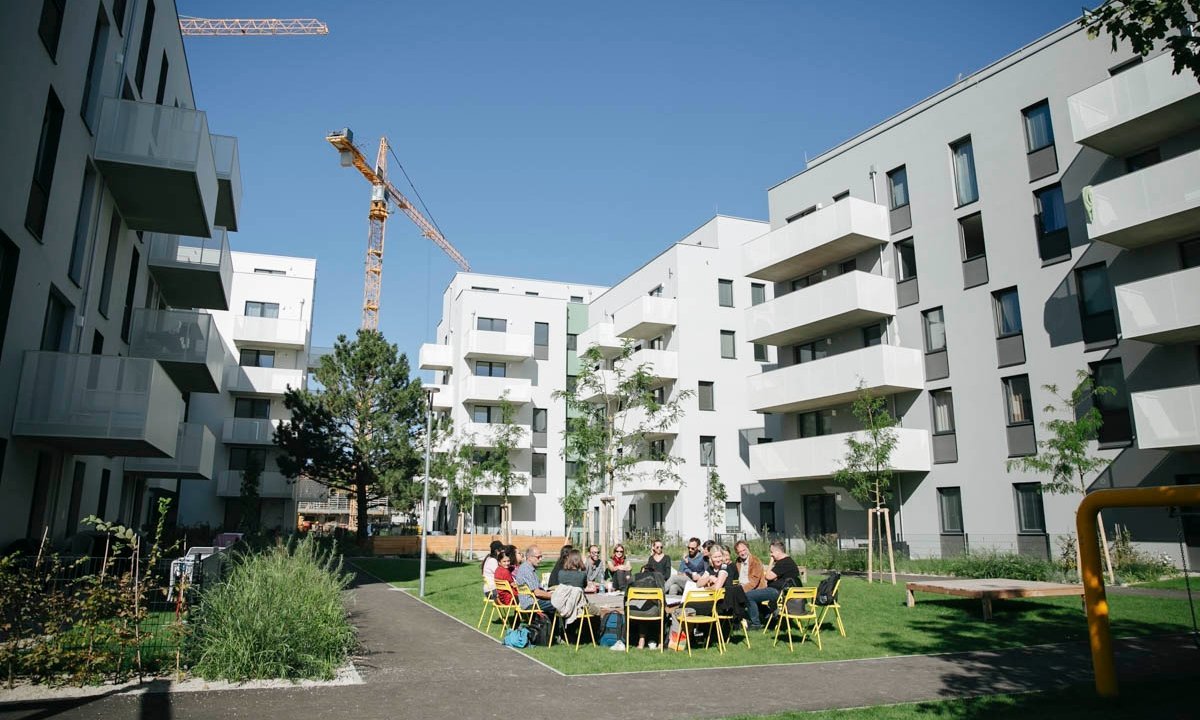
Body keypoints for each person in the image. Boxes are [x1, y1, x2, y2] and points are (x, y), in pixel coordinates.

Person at [745, 541, 802, 629]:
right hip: (783, 590)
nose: (771, 554)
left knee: (748, 596)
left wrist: (771, 562)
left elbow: (768, 576)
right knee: (756, 596)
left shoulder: (784, 562)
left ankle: (755, 624)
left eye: (771, 552)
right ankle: (770, 618)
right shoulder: (787, 561)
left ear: (778, 552)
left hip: (779, 592)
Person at [513, 545, 555, 614]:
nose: (540, 559)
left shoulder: (527, 568)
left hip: (531, 602)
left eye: (541, 557)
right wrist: (553, 596)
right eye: (538, 557)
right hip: (531, 603)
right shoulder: (526, 570)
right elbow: (537, 593)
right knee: (560, 603)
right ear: (530, 557)